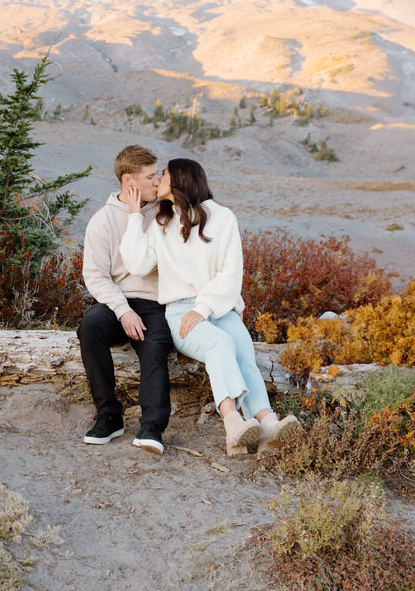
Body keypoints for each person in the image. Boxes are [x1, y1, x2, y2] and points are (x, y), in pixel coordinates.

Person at [119, 158, 299, 456]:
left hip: (217, 307)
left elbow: (230, 274)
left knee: (242, 346)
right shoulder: (162, 224)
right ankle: (233, 423)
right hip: (178, 312)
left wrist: (202, 309)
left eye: (162, 174)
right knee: (219, 343)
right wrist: (134, 215)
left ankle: (268, 425)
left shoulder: (223, 217)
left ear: (179, 179)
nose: (156, 179)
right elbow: (137, 265)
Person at [76, 144, 174, 454]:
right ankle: (109, 416)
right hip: (116, 302)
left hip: (155, 301)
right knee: (89, 328)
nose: (157, 182)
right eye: (150, 177)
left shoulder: (164, 213)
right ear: (129, 182)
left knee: (156, 343)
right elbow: (95, 276)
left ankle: (152, 426)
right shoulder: (102, 221)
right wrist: (123, 311)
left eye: (157, 175)